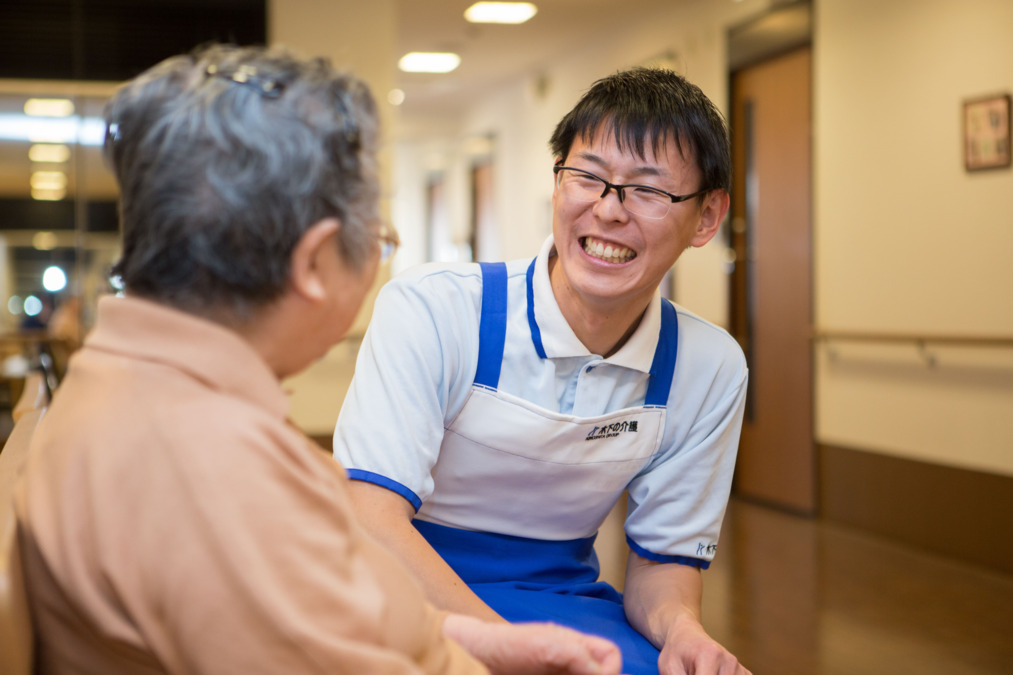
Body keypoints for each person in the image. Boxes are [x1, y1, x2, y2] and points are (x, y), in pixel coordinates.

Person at [13, 44, 622, 675]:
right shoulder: (211, 471)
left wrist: (487, 644)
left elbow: (332, 615)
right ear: (314, 262)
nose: (377, 256)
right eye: (378, 238)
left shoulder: (133, 387)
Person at [334, 67, 750, 675]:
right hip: (399, 587)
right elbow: (370, 520)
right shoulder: (436, 308)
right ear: (558, 182)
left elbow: (664, 567)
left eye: (649, 190)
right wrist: (505, 649)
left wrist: (683, 631)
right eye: (588, 176)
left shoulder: (707, 366)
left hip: (560, 601)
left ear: (708, 217)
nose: (608, 211)